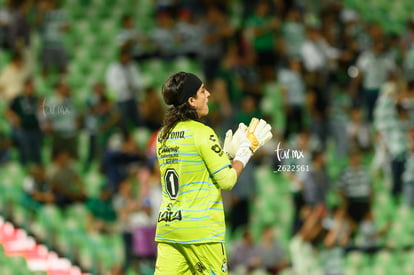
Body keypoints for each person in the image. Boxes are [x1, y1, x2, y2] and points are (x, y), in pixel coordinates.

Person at [154, 72, 272, 274]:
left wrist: (224, 155)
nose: (208, 94)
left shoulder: (163, 135)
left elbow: (194, 172)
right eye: (202, 91)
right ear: (191, 101)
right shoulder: (202, 132)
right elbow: (226, 181)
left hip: (170, 228)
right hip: (200, 231)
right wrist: (245, 152)